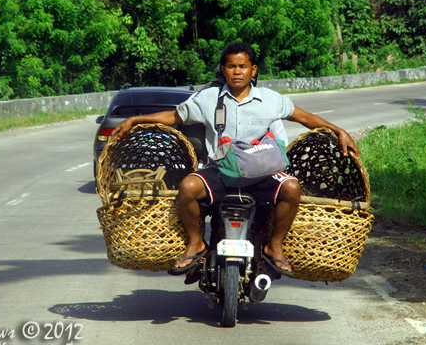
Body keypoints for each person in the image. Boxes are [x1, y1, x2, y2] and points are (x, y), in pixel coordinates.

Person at [111, 42, 359, 276]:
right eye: (231, 66)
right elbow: (174, 117)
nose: (237, 72)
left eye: (242, 66)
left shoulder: (271, 99)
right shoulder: (208, 98)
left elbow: (306, 118)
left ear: (253, 70)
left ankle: (274, 245)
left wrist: (339, 131)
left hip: (260, 174)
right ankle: (196, 243)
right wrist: (135, 119)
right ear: (223, 69)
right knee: (187, 187)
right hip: (219, 173)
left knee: (292, 188)